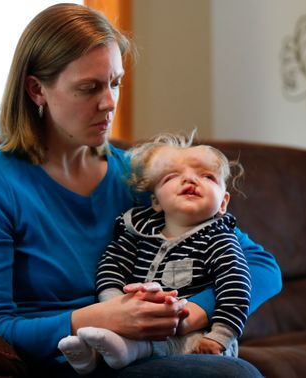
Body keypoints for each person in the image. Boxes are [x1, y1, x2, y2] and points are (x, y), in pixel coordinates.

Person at [0, 3, 281, 377]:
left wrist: (185, 317)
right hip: (60, 360)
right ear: (36, 90)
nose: (109, 102)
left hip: (146, 352)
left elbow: (262, 266)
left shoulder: (138, 176)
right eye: (89, 87)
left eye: (115, 82)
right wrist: (96, 319)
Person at [58, 133, 251, 374]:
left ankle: (117, 352)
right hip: (133, 319)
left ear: (223, 203)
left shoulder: (220, 240)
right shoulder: (135, 234)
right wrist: (115, 306)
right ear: (156, 201)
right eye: (172, 176)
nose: (190, 179)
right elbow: (111, 267)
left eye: (207, 176)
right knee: (112, 333)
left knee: (178, 344)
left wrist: (220, 337)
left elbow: (236, 289)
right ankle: (90, 357)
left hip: (199, 338)